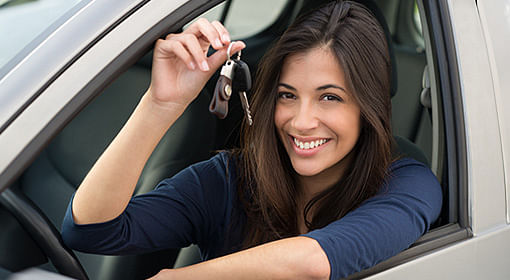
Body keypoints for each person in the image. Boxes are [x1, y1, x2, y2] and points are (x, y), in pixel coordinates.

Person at [62, 1, 442, 279]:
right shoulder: (231, 179)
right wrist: (160, 105)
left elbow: (313, 261)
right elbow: (90, 230)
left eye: (330, 97)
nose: (302, 121)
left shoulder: (408, 184)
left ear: (367, 107)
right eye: (287, 95)